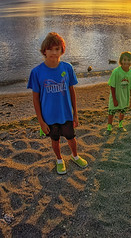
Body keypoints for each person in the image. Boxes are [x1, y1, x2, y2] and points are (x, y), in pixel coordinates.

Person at [27, 32, 88, 175]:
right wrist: (41, 121)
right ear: (44, 51)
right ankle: (59, 159)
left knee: (71, 138)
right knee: (55, 140)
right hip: (49, 117)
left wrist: (76, 114)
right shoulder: (36, 72)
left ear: (62, 50)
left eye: (57, 49)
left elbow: (72, 92)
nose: (54, 52)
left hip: (66, 114)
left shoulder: (67, 68)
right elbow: (35, 98)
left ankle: (75, 156)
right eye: (50, 49)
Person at [106, 51, 131, 134]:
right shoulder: (116, 72)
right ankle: (109, 127)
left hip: (125, 97)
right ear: (120, 61)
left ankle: (120, 125)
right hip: (115, 97)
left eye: (128, 60)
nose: (126, 62)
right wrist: (115, 99)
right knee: (111, 112)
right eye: (124, 60)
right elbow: (112, 86)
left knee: (122, 112)